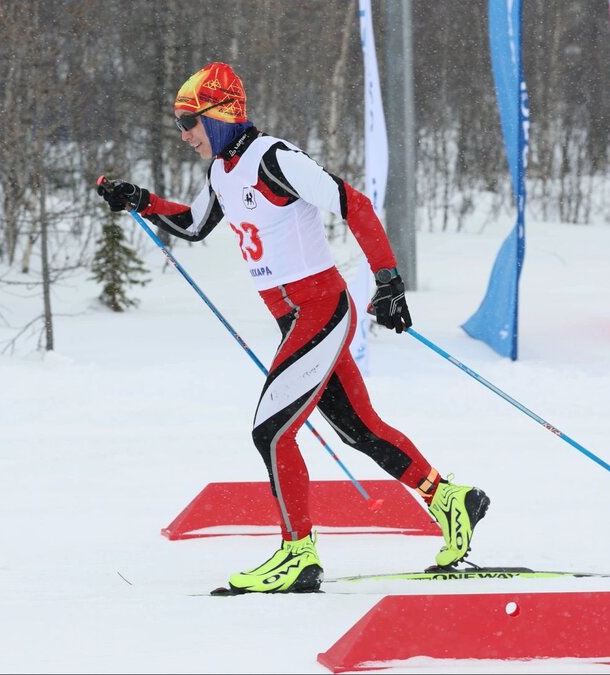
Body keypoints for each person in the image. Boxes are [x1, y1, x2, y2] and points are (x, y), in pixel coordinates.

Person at [96, 62, 489, 594]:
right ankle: (449, 498)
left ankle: (298, 554)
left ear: (217, 115)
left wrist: (389, 282)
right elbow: (192, 225)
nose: (184, 135)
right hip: (294, 321)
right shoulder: (221, 171)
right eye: (179, 124)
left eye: (188, 121)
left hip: (321, 311)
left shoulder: (273, 159)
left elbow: (355, 203)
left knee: (271, 429)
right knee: (360, 429)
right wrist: (141, 200)